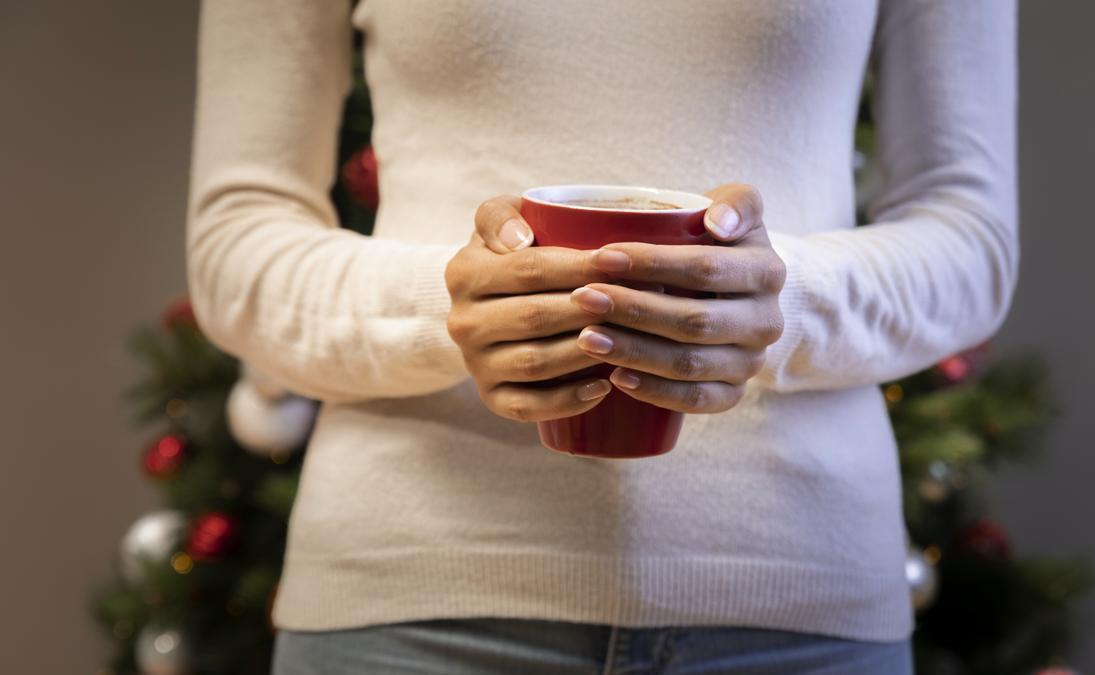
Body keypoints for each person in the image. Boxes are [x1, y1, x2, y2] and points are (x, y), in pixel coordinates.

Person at [186, 1, 1016, 673]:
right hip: (409, 610)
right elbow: (236, 243)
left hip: (801, 613)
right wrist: (450, 308)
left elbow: (971, 239)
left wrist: (781, 303)